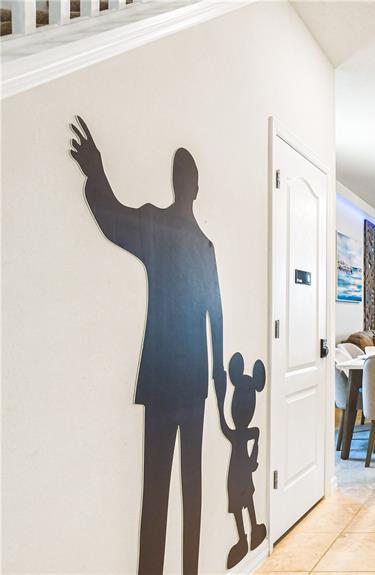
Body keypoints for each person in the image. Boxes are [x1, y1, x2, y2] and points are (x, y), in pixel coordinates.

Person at [69, 116, 224, 575]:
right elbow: (216, 319)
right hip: (190, 379)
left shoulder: (169, 232)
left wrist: (96, 175)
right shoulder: (200, 244)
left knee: (156, 489)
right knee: (185, 488)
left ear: (184, 186)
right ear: (195, 187)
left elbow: (114, 216)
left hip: (164, 376)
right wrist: (217, 382)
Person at [218, 353, 268, 568]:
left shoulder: (249, 432)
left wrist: (220, 399)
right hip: (242, 469)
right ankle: (246, 534)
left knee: (245, 500)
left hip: (241, 469)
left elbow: (224, 424)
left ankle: (252, 530)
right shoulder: (249, 432)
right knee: (243, 502)